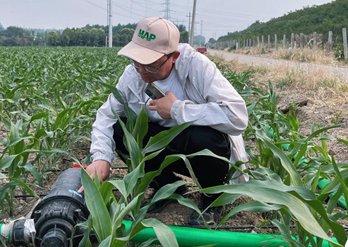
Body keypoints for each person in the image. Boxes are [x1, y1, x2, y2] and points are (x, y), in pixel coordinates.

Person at [84, 17, 248, 225]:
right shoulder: (133, 75)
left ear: (173, 56)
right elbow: (107, 115)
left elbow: (237, 116)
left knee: (207, 136)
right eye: (137, 62)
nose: (142, 71)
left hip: (201, 152)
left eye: (151, 66)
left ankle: (212, 198)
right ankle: (168, 185)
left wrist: (178, 110)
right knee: (120, 128)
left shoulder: (196, 66)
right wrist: (101, 158)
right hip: (161, 146)